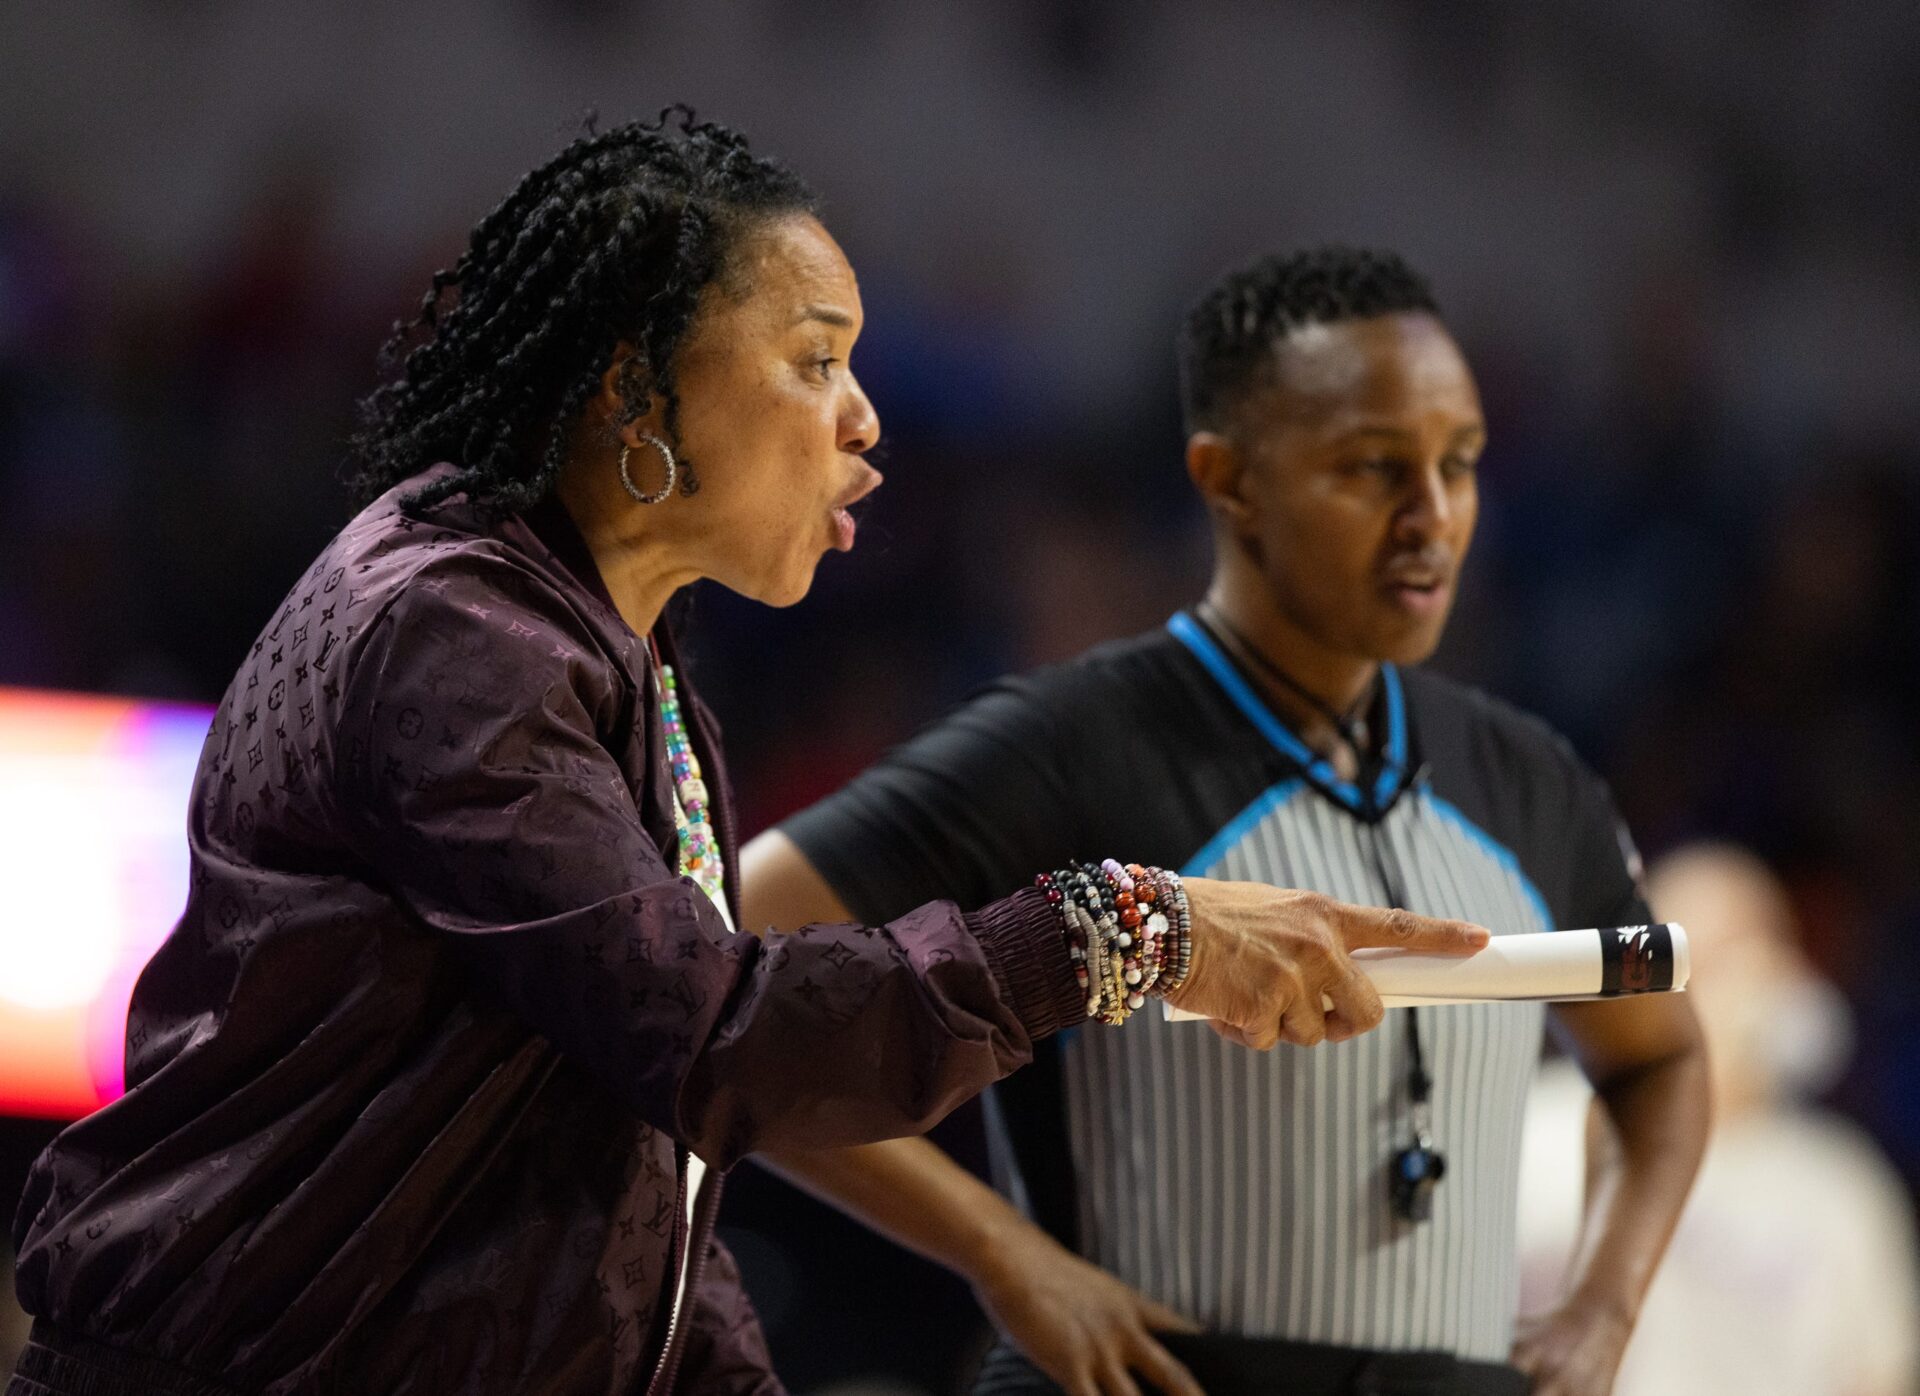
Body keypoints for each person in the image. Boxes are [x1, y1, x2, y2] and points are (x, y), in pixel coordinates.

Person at [3, 115, 1487, 1396]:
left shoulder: (614, 653)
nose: (865, 418)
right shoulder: (453, 640)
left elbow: (643, 1166)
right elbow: (719, 1039)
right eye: (812, 359)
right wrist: (1126, 930)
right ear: (634, 391)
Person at [744, 247, 1710, 1396]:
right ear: (1231, 479)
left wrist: (1602, 1309)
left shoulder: (1530, 775)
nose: (1433, 517)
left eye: (1459, 465)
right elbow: (738, 983)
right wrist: (1003, 1256)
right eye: (1373, 467)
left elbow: (1663, 1058)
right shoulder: (1073, 739)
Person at [1518, 844, 1920, 1396]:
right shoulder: (1538, 1134)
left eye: (1758, 951)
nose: (1739, 985)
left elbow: (1876, 1375)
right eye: (1706, 960)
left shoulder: (1842, 1184)